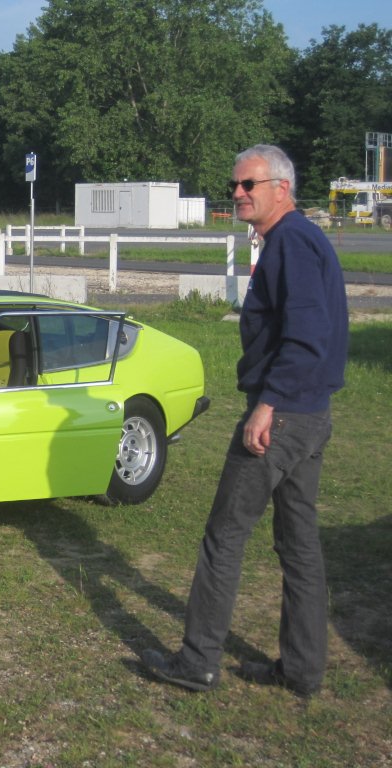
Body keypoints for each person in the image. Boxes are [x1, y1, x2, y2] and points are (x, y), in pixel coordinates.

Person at [141, 144, 349, 698]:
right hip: (308, 413)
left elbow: (307, 335)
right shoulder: (295, 240)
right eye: (235, 185)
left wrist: (268, 404)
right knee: (298, 543)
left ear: (281, 187)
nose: (237, 193)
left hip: (282, 417)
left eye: (248, 185)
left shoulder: (293, 243)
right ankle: (302, 671)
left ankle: (197, 661)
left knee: (225, 535)